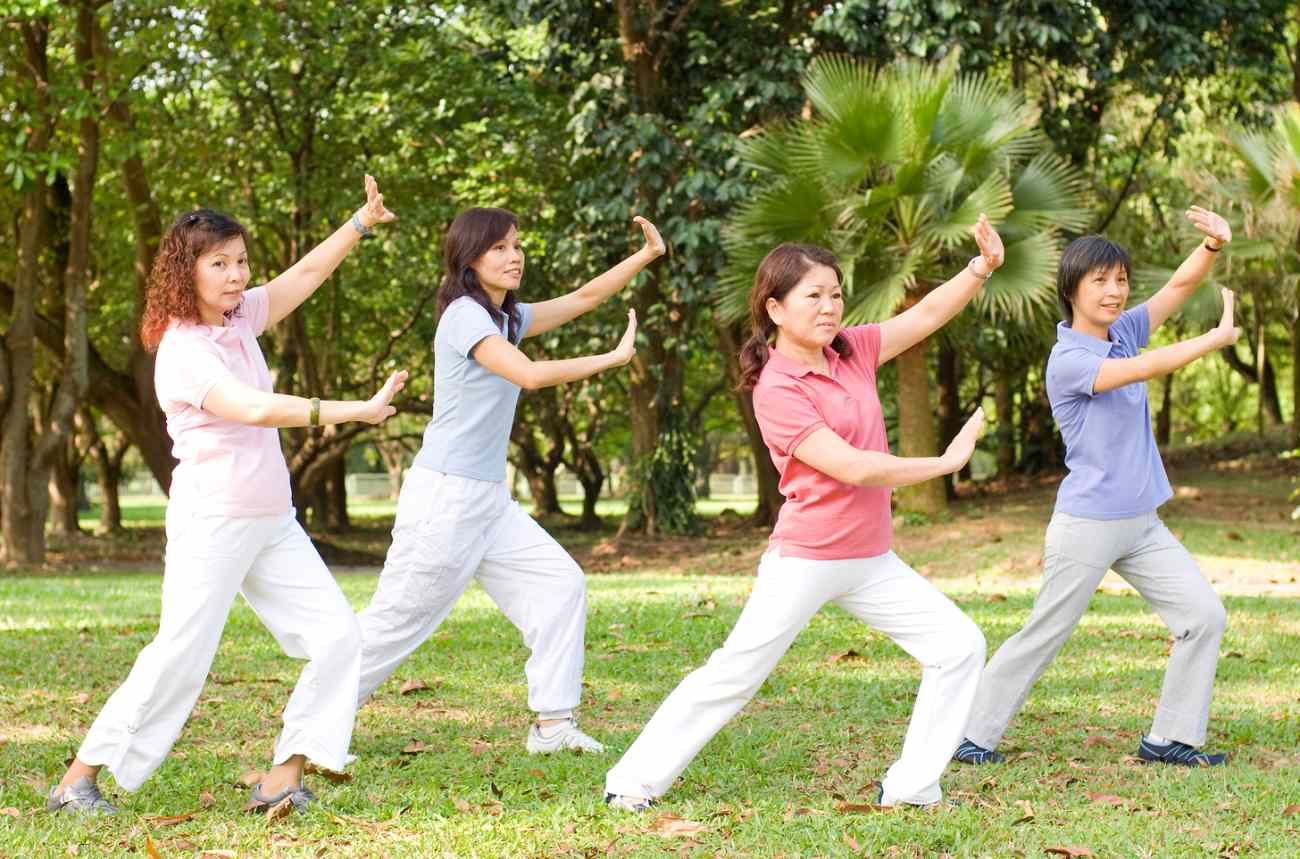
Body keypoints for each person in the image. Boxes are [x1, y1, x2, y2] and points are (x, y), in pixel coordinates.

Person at [604, 217, 1004, 811]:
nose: (829, 307)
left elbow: (922, 317)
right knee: (734, 673)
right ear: (775, 308)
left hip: (871, 558)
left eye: (835, 293)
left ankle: (913, 787)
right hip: (809, 556)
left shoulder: (854, 351)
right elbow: (854, 467)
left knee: (959, 646)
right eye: (812, 296)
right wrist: (944, 463)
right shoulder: (777, 387)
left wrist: (980, 268)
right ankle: (630, 783)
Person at [46, 176, 406, 815]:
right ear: (188, 272)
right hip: (213, 520)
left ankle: (282, 778)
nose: (237, 275)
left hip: (272, 519)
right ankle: (79, 778)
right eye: (220, 264)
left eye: (241, 261)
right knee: (180, 656)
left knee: (338, 639)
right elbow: (254, 407)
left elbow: (302, 278)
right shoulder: (183, 350)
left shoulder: (238, 319)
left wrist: (357, 225)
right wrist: (358, 408)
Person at [355, 208, 665, 754]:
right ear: (468, 260)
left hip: (488, 499)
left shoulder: (506, 317)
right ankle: (308, 727)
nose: (514, 255)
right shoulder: (463, 317)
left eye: (517, 245)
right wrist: (613, 357)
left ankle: (552, 725)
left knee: (558, 585)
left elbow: (584, 299)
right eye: (498, 248)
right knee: (395, 623)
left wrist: (644, 256)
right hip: (445, 497)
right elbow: (529, 374)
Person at [954, 207, 1236, 768]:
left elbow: (1178, 286)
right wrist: (1211, 340)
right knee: (1045, 634)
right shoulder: (1070, 359)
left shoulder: (1125, 331)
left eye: (1121, 280)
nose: (1114, 291)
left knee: (1204, 616)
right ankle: (969, 734)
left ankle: (1169, 738)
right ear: (1072, 290)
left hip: (1141, 522)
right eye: (1099, 281)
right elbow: (1139, 372)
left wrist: (1211, 247)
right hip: (1087, 525)